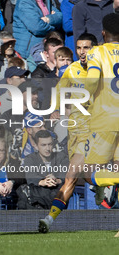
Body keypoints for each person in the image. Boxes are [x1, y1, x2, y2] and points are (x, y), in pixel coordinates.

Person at [39, 14, 119, 235]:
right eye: (80, 47)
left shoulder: (99, 60)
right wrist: (54, 109)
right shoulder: (71, 70)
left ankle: (104, 187)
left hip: (100, 128)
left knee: (85, 175)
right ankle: (49, 218)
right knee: (73, 177)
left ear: (97, 44)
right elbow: (58, 94)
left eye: (87, 47)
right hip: (79, 132)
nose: (83, 52)